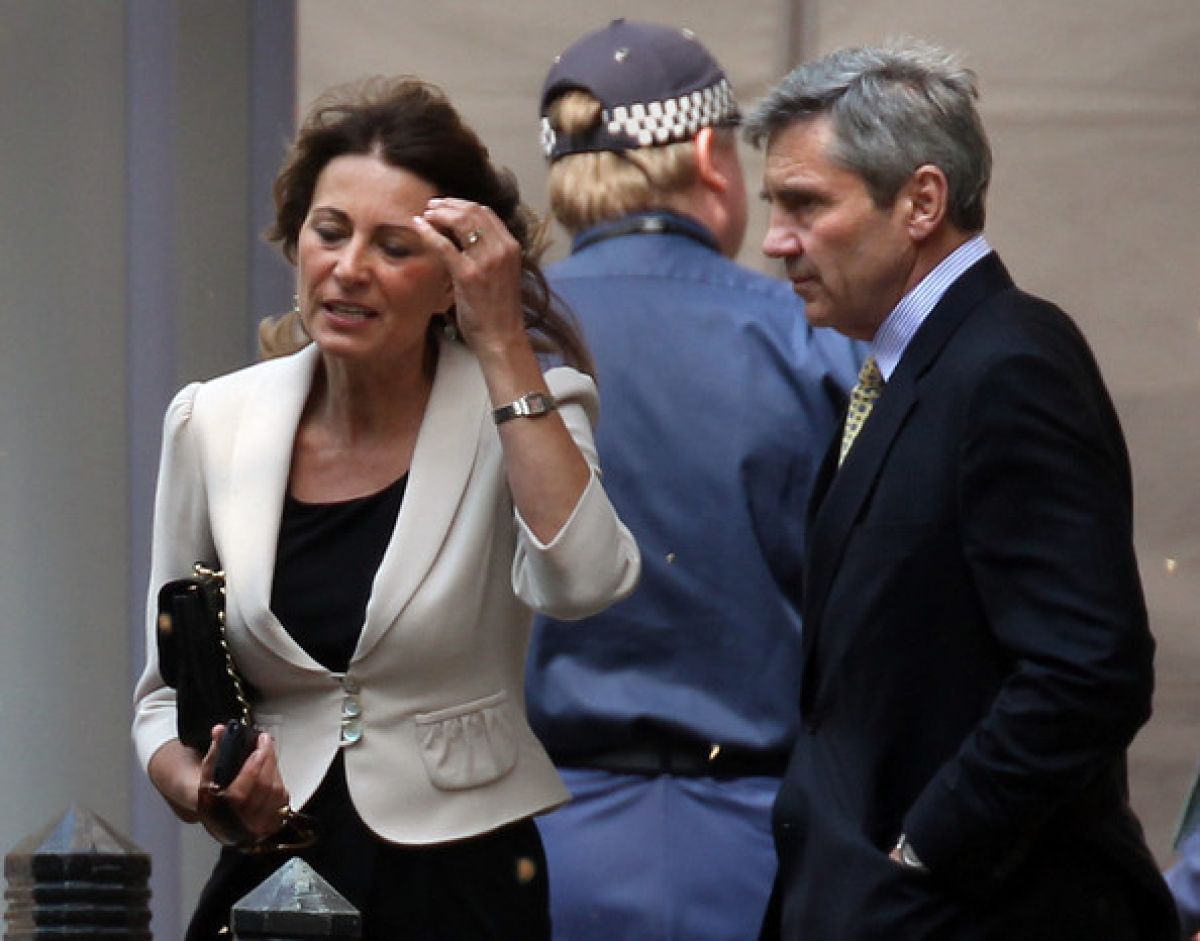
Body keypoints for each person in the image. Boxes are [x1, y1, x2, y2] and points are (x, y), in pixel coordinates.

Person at [131, 76, 640, 941]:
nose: (350, 267)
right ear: (297, 241)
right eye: (330, 232)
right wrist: (207, 790)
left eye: (395, 246)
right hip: (272, 868)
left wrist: (502, 342)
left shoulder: (524, 408)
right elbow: (160, 699)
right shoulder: (212, 421)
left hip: (463, 874)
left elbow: (585, 581)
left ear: (452, 282)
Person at [747, 40, 1178, 939]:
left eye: (806, 204)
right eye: (774, 206)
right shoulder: (911, 366)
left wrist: (925, 848)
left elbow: (1089, 672)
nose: (776, 240)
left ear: (922, 202)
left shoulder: (1009, 364)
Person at [525, 20, 862, 940]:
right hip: (767, 848)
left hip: (535, 846)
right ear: (712, 157)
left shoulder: (504, 345)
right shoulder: (813, 344)